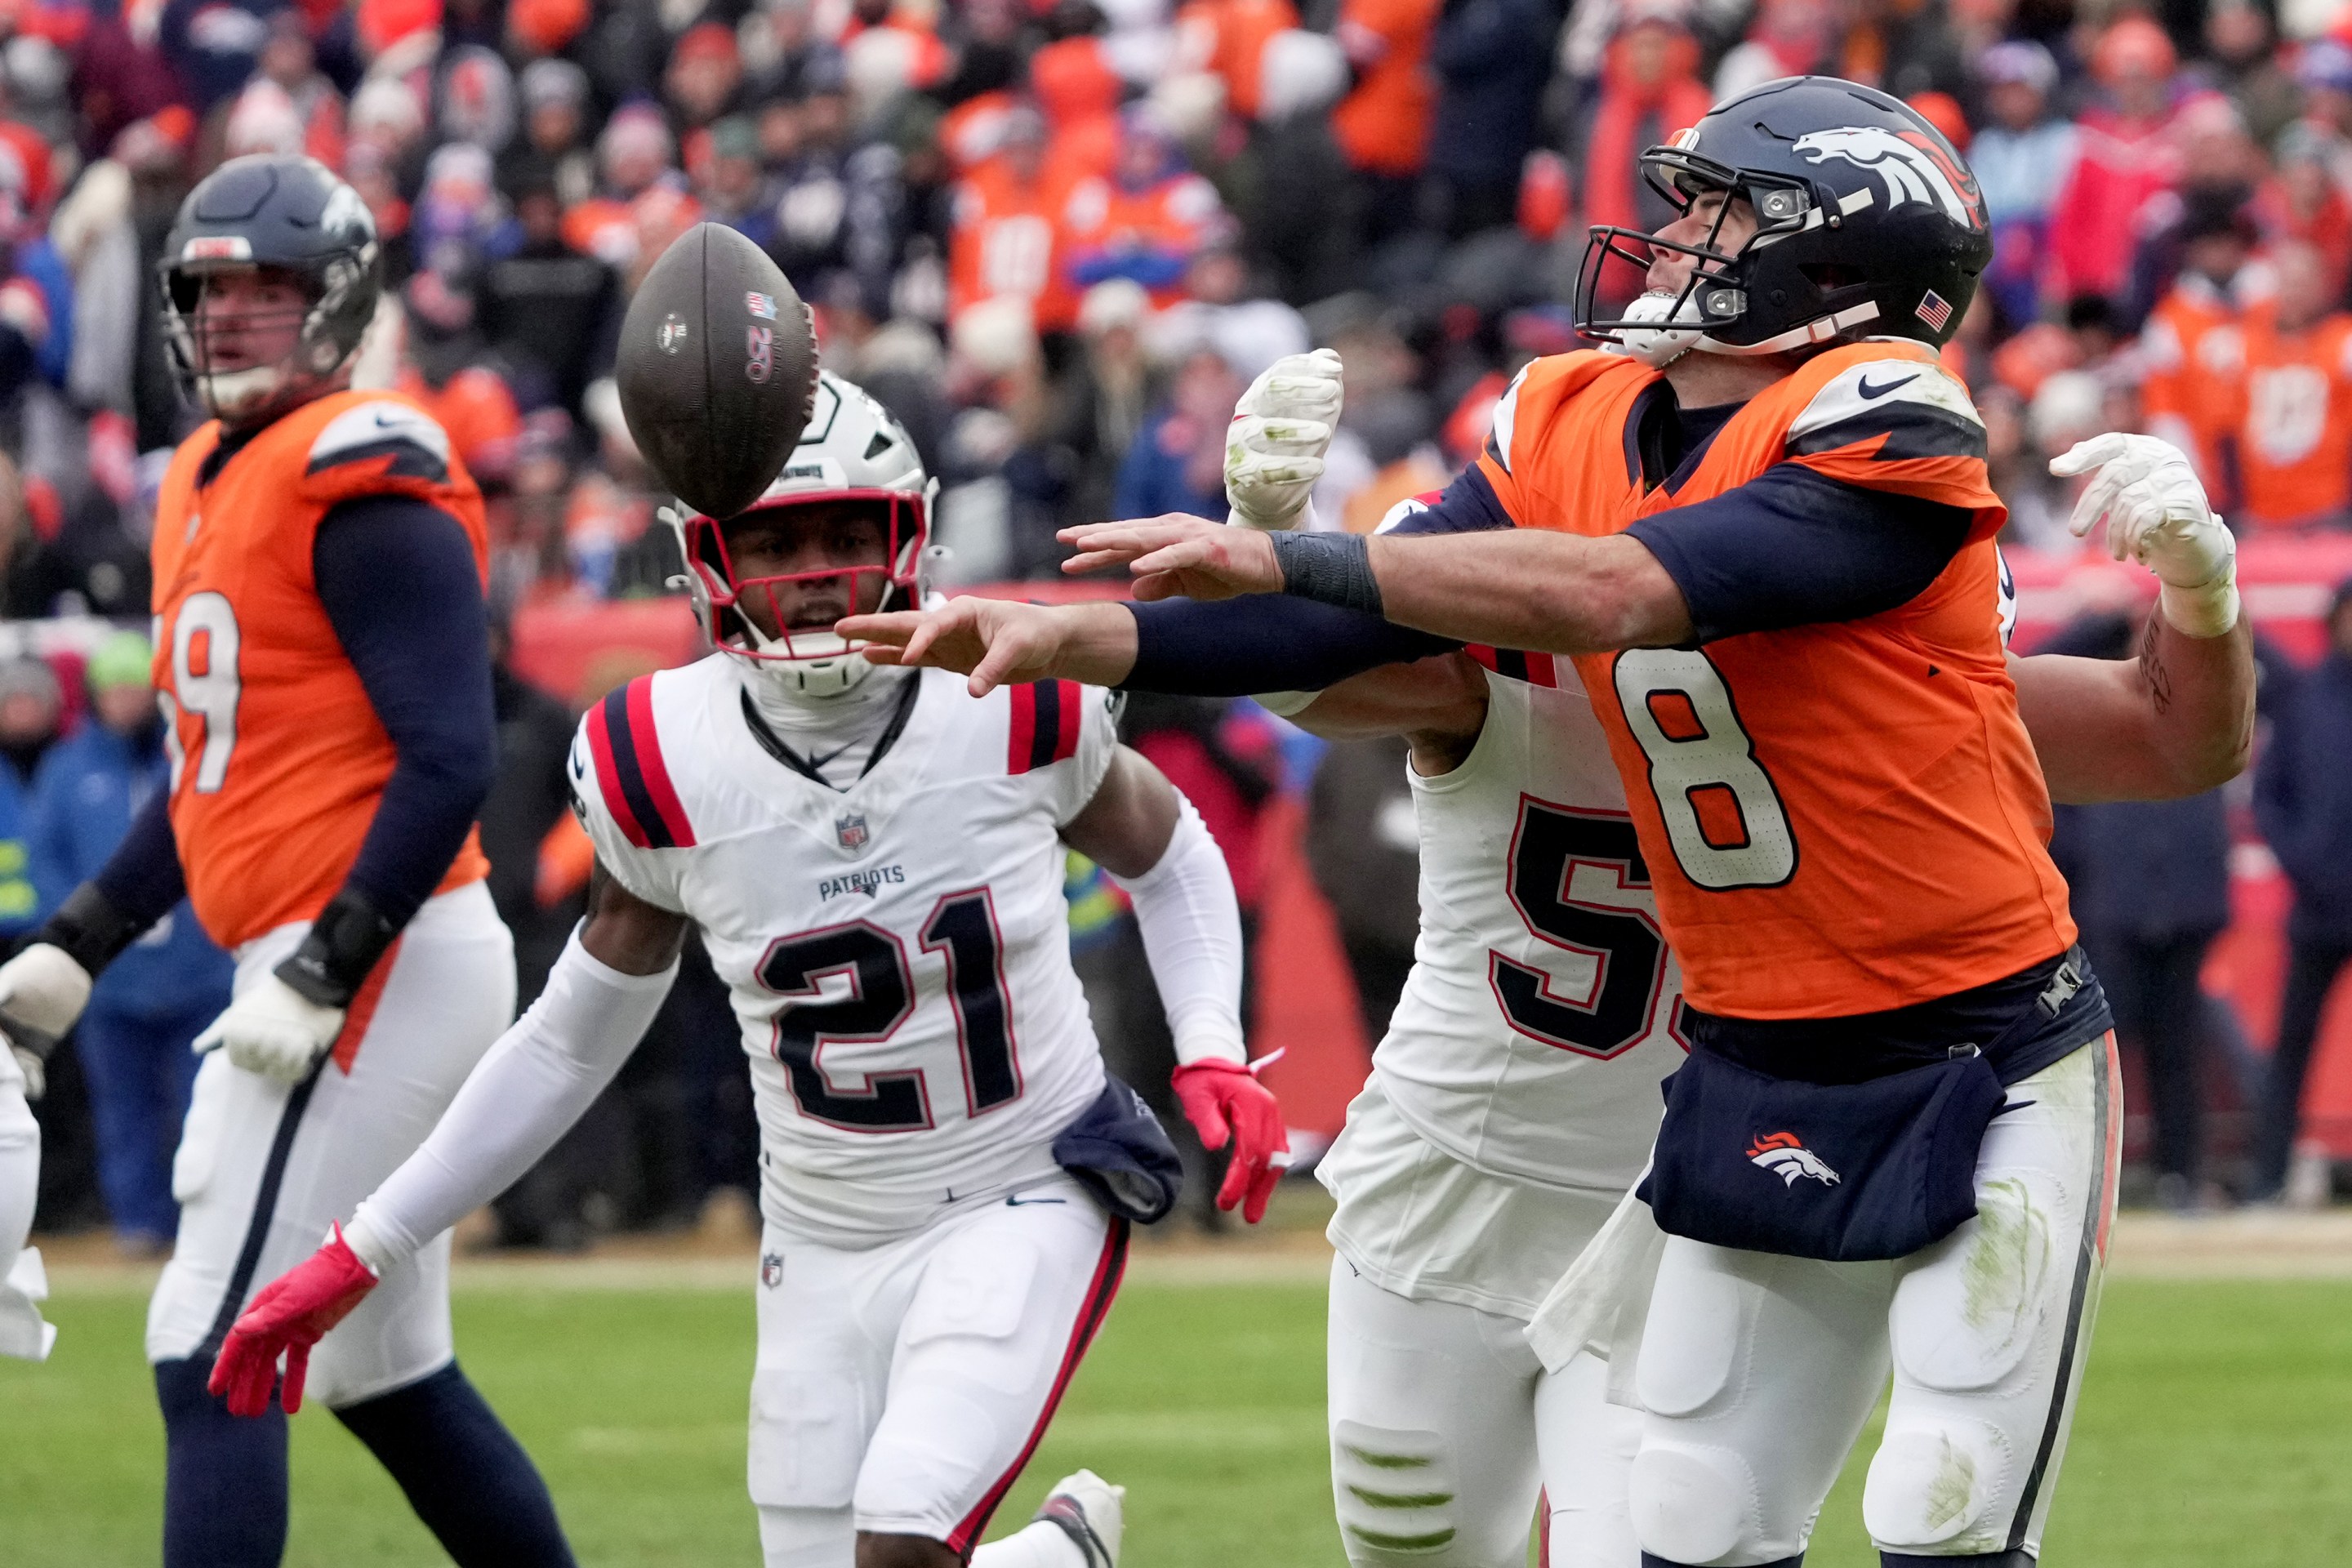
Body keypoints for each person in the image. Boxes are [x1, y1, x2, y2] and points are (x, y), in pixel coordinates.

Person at [847, 79, 2256, 1567]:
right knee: (1694, 1523)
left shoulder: (1881, 427)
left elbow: (1609, 594)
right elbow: (1372, 655)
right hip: (1747, 1060)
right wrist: (1081, 635)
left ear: (1835, 276)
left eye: (1721, 211)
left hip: (1983, 1046)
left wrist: (2202, 604)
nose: (1667, 236)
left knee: (1944, 1508)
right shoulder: (1575, 418)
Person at [209, 374, 1290, 1568]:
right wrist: (366, 1246)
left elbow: (1169, 848)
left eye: (844, 534)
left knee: (904, 1534)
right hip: (819, 1235)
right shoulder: (655, 753)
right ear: (709, 556)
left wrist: (1210, 1045)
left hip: (1022, 1184)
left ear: (908, 539)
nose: (813, 570)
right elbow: (571, 1038)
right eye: (775, 540)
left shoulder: (1012, 684)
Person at [0, 154, 574, 1568]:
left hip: (377, 957)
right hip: (338, 954)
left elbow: (447, 756)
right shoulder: (200, 471)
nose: (237, 318)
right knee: (387, 1374)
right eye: (212, 291)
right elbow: (216, 780)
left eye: (271, 290)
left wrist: (330, 963)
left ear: (338, 302)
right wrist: (79, 937)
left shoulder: (365, 465)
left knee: (211, 1345)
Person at [27, 631, 234, 1254]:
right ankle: (138, 1224)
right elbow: (47, 856)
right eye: (114, 691)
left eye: (137, 689)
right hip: (112, 975)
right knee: (124, 1109)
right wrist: (79, 935)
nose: (125, 702)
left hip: (199, 966)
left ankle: (207, 1221)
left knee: (209, 1104)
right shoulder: (69, 769)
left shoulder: (191, 760)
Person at [2249, 577, 2352, 1205]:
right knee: (2292, 1048)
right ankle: (2267, 1178)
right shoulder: (2307, 698)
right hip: (2315, 909)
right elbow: (2269, 797)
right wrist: (2302, 862)